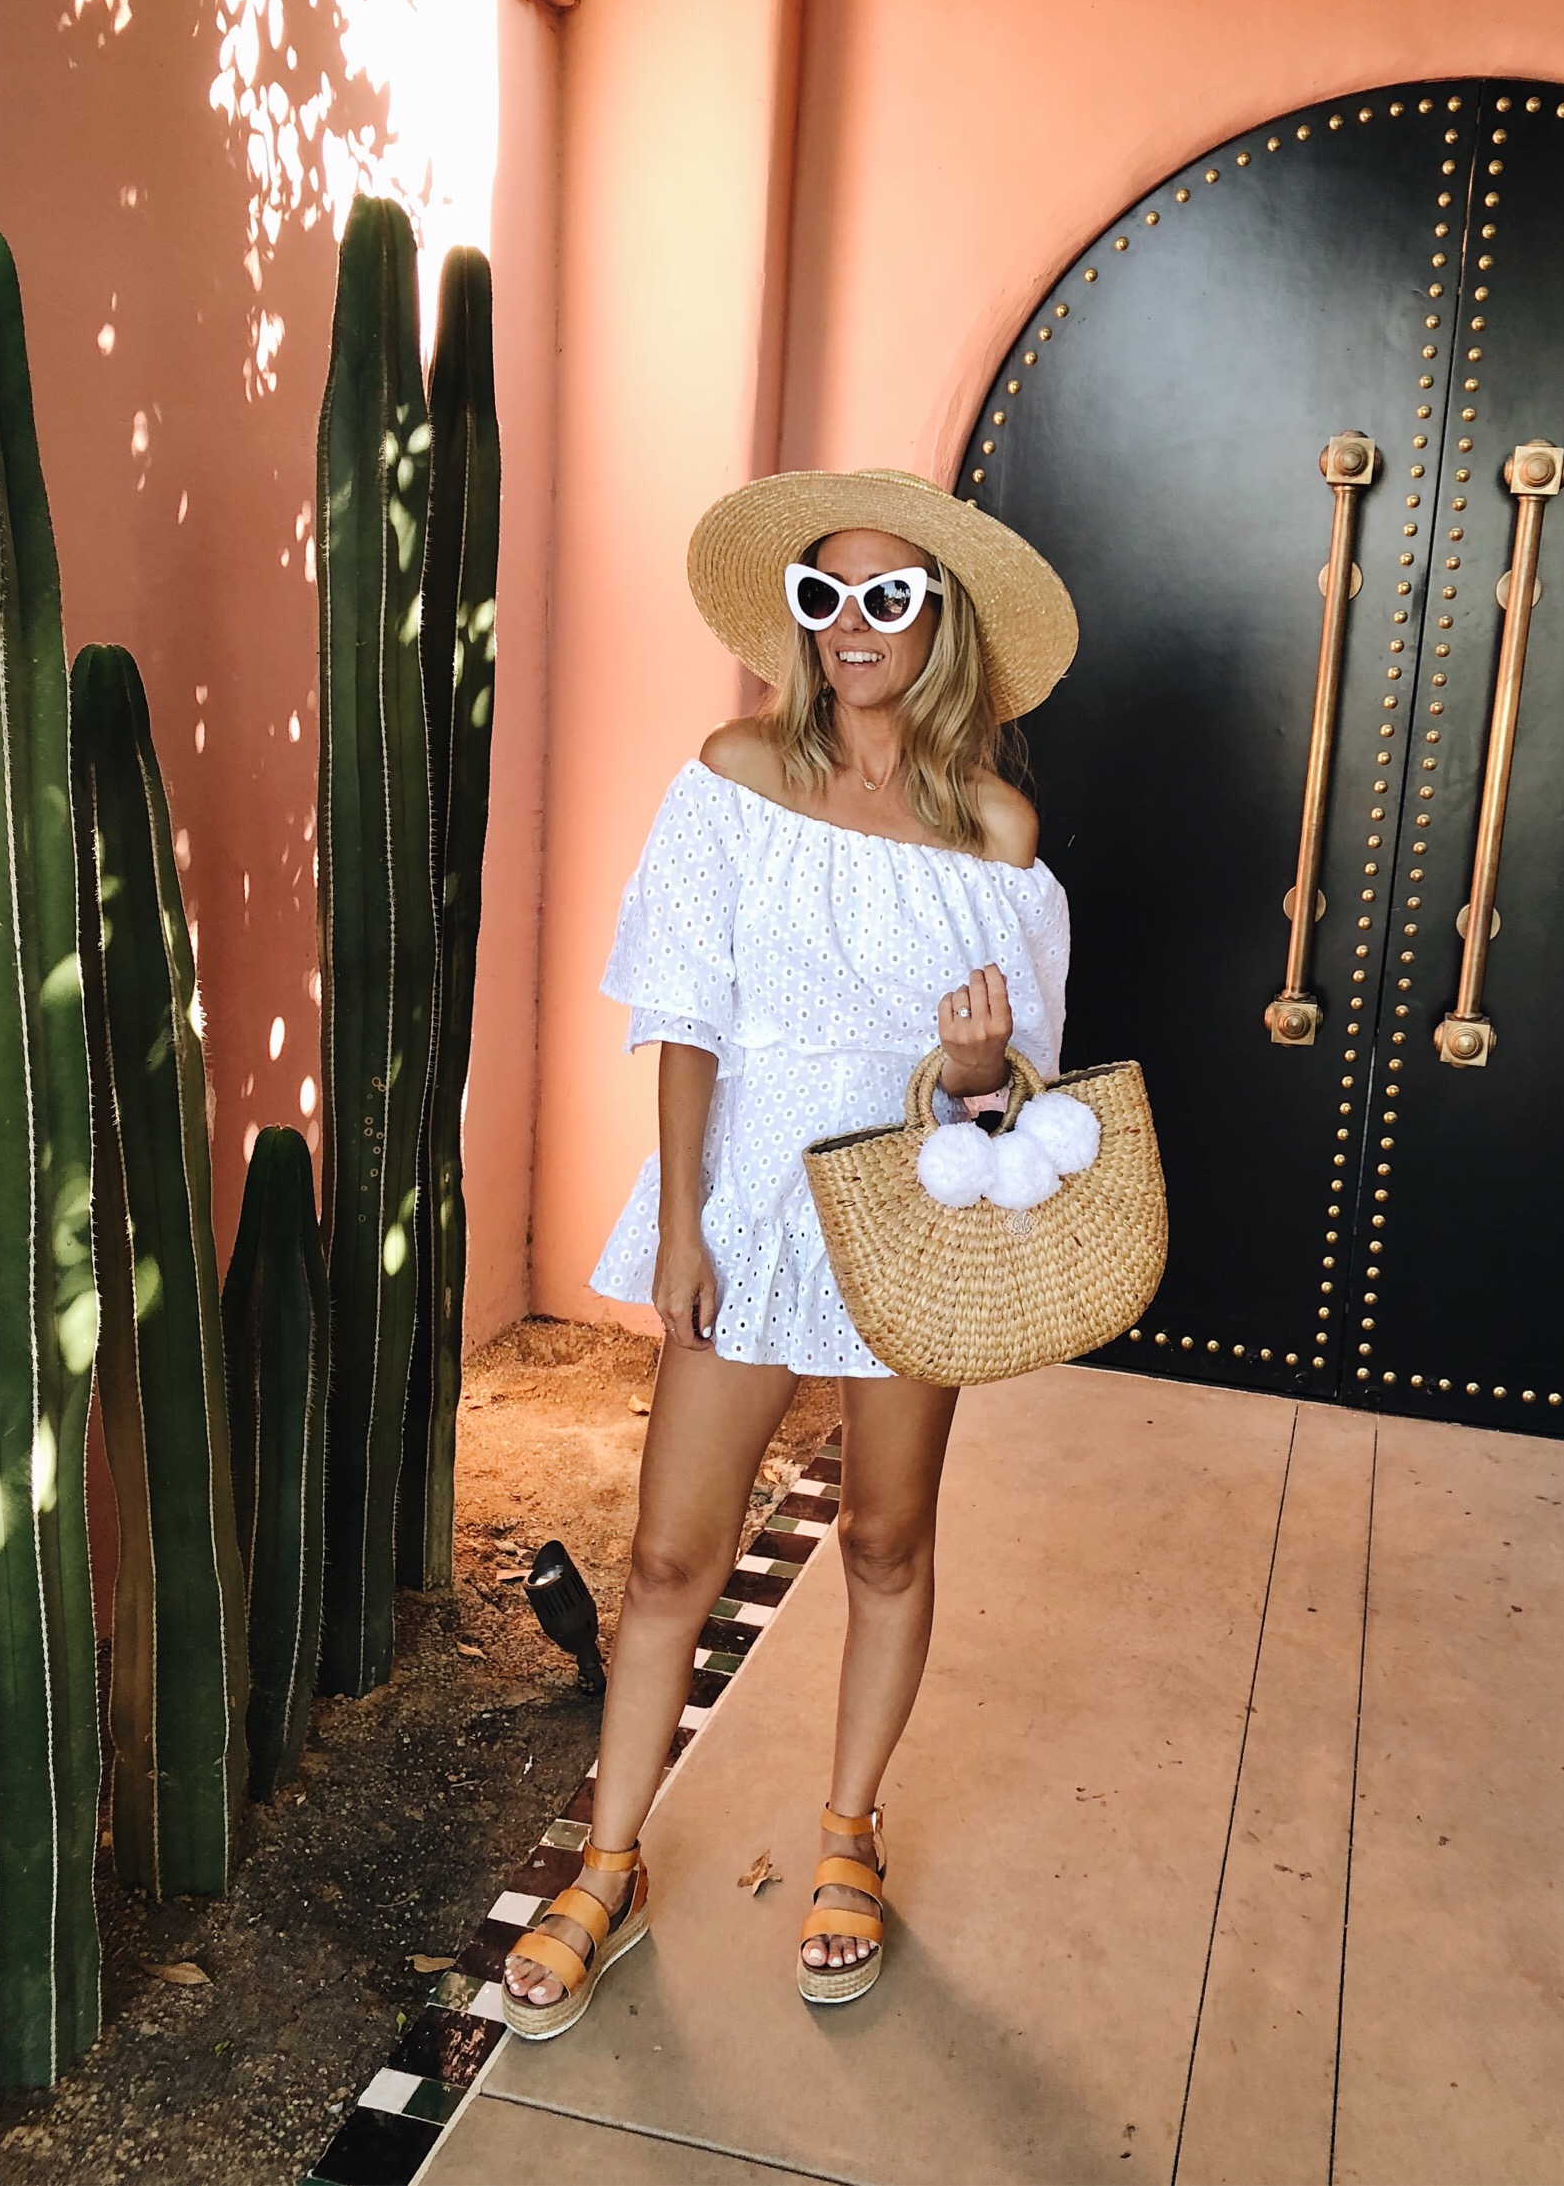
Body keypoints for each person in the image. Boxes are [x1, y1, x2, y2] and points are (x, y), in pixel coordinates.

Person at [502, 468, 1077, 2035]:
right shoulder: (736, 773)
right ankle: (606, 1863)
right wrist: (684, 1215)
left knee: (885, 1539)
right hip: (752, 1201)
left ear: (938, 621)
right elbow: (685, 1016)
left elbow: (1002, 1091)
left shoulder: (996, 828)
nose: (848, 627)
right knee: (673, 1555)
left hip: (907, 1207)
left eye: (886, 597)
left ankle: (845, 1838)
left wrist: (969, 1070)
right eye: (823, 598)